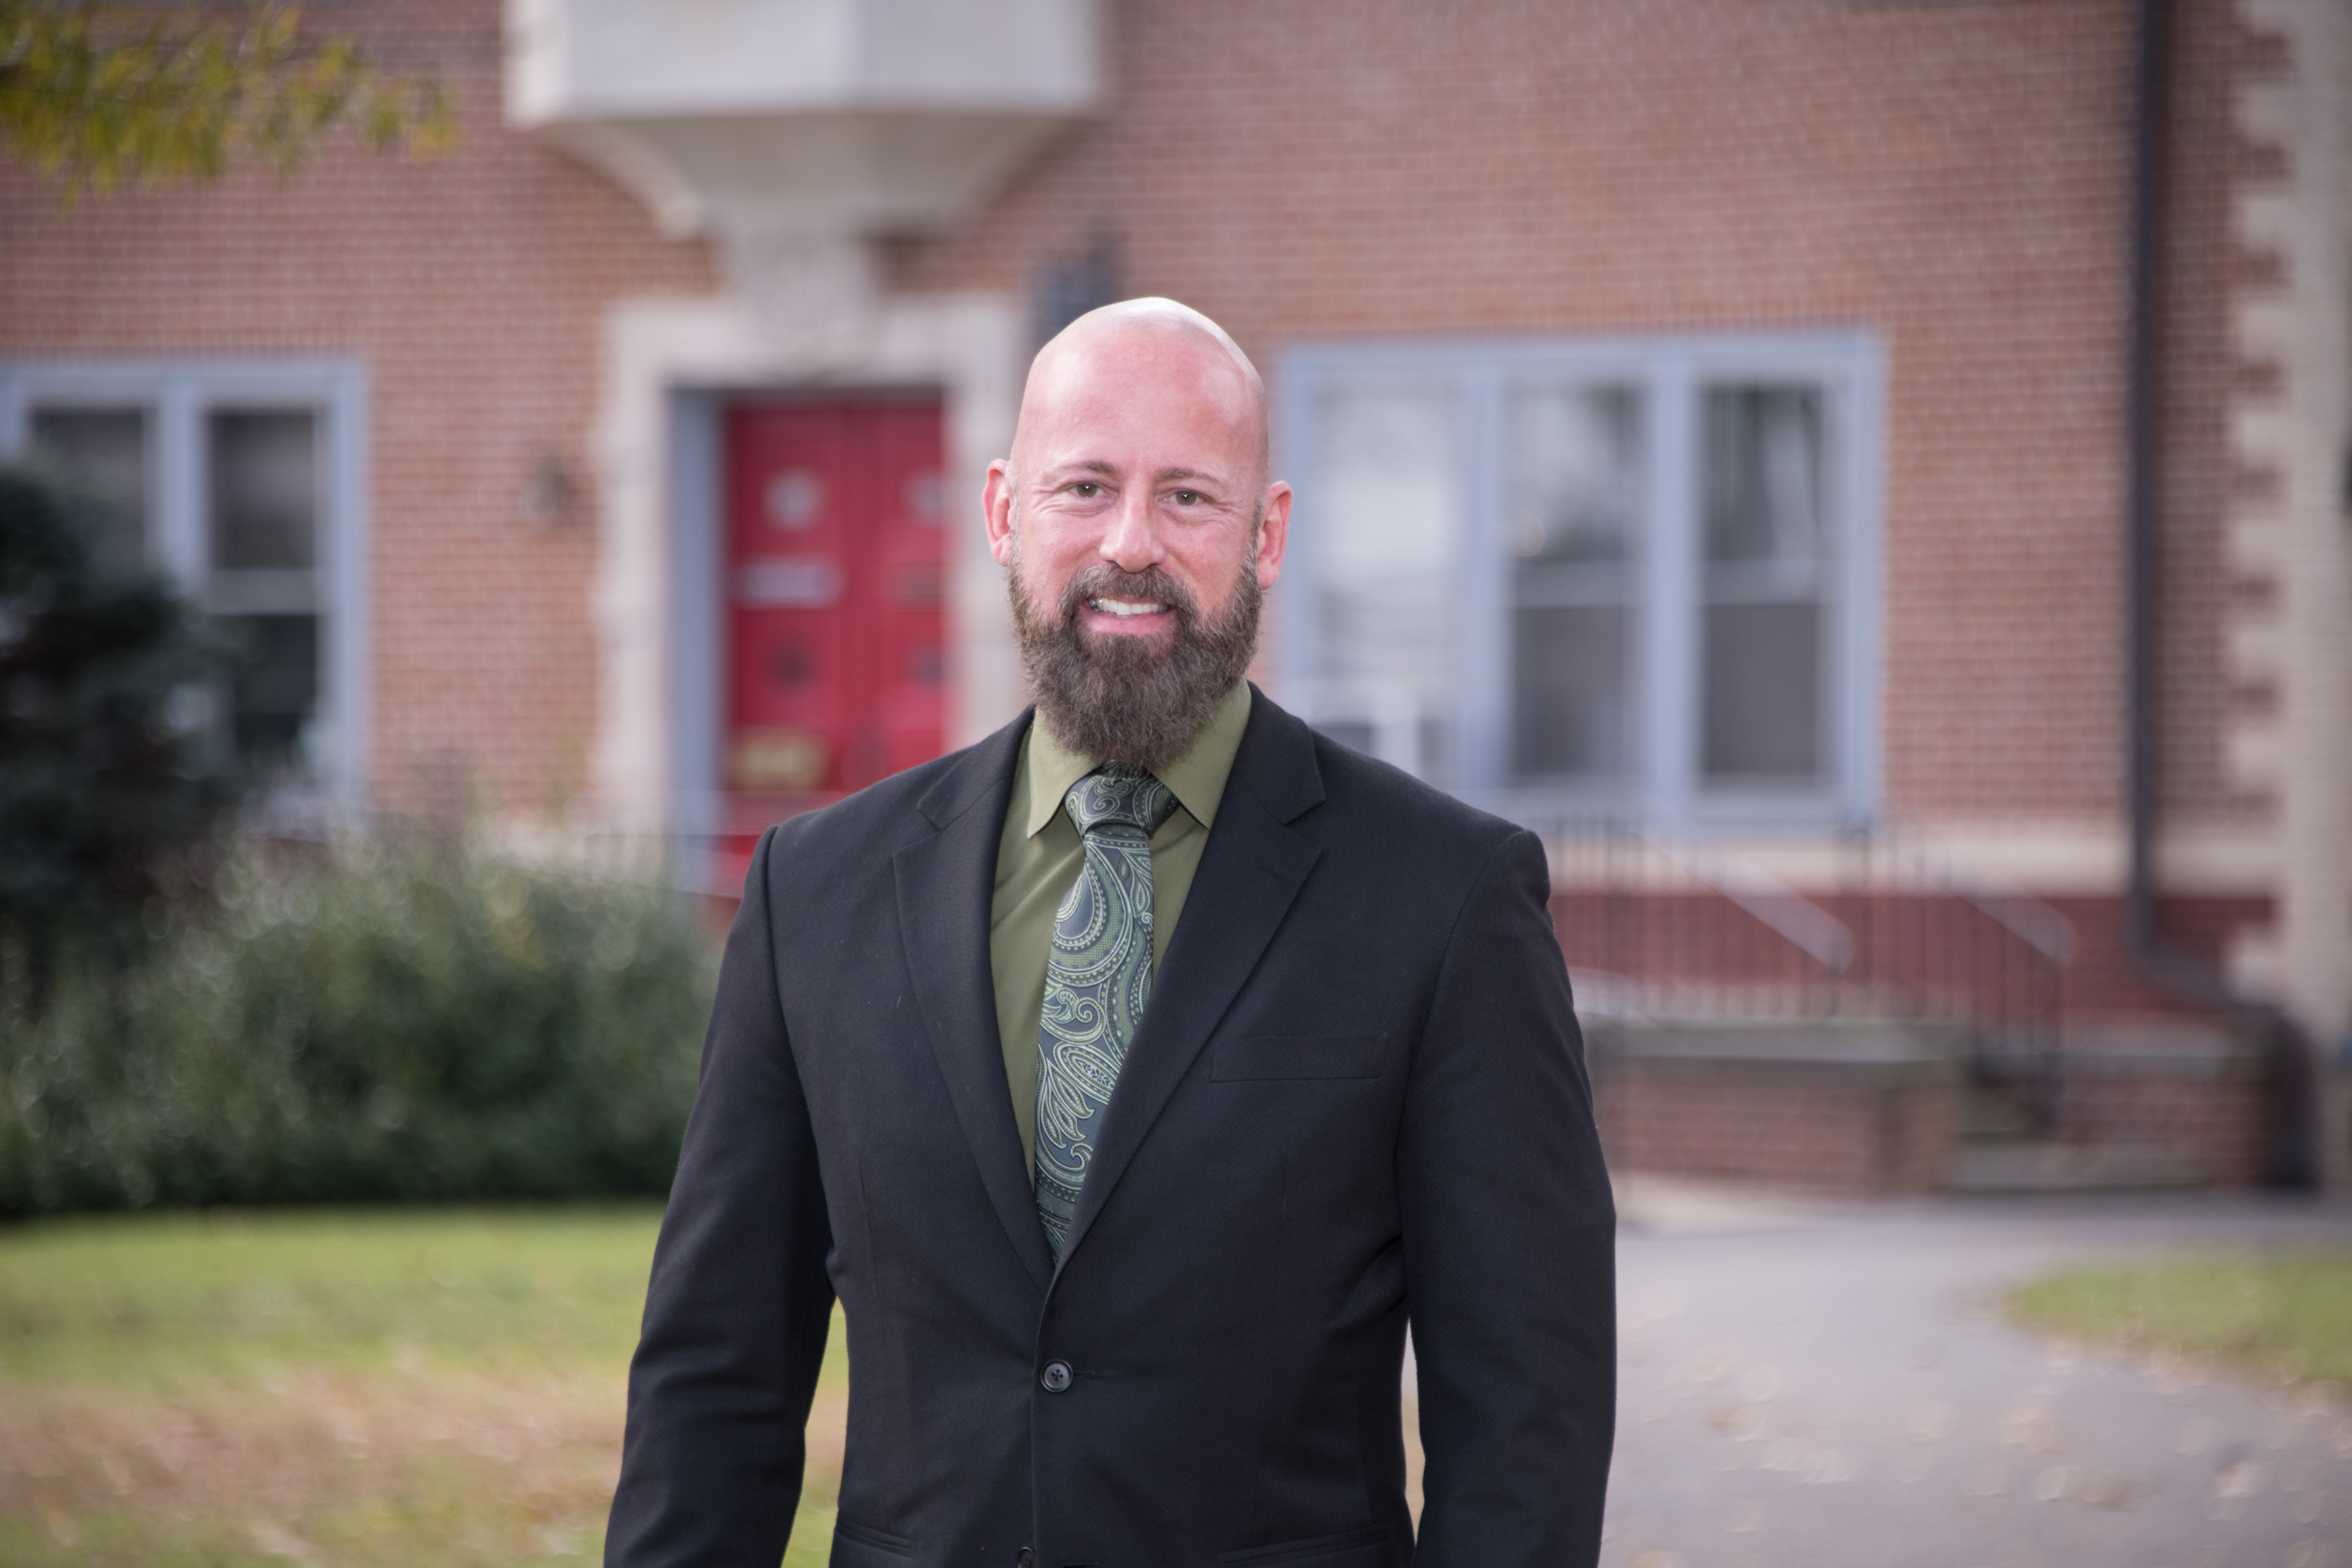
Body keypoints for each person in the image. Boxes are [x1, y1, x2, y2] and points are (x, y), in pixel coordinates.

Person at [605, 299, 1616, 1568]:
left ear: (1268, 534)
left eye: (1188, 497)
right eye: (1084, 487)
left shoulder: (1447, 899)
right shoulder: (815, 892)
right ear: (1001, 511)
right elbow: (716, 1377)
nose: (1129, 544)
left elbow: (1529, 1412)